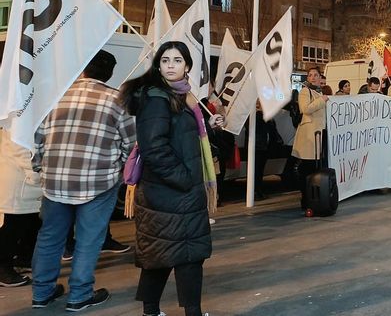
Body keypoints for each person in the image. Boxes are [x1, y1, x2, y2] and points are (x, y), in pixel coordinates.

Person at [119, 41, 224, 316]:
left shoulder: (183, 97)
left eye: (177, 60)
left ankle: (151, 311)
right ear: (158, 65)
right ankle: (191, 312)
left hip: (172, 191)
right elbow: (154, 147)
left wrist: (209, 127)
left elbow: (183, 139)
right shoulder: (157, 97)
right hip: (170, 191)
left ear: (187, 66)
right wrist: (185, 178)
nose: (171, 66)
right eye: (165, 60)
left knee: (162, 254)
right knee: (185, 255)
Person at [30, 50, 136, 311]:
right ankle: (79, 295)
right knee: (89, 240)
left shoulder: (56, 97)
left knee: (49, 237)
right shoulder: (118, 101)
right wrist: (118, 166)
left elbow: (37, 140)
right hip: (98, 181)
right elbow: (131, 143)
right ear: (110, 73)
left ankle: (42, 293)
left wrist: (41, 169)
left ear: (83, 69)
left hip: (55, 181)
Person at [0, 130, 42, 287]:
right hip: (19, 178)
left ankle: (25, 258)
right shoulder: (20, 111)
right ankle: (3, 267)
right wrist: (35, 173)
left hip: (27, 180)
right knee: (13, 224)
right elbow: (20, 148)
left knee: (31, 221)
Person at [292, 68, 329, 194]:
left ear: (320, 78)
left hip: (318, 135)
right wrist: (321, 101)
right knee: (308, 168)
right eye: (310, 75)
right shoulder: (305, 91)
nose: (313, 77)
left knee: (315, 169)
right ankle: (306, 197)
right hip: (309, 137)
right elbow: (305, 109)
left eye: (315, 75)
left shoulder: (319, 93)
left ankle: (313, 196)